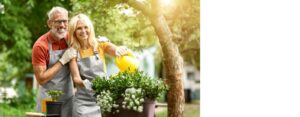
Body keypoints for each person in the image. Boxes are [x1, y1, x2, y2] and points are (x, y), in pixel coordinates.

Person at [68, 14, 130, 117]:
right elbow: (76, 79)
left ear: (90, 28)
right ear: (74, 31)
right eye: (79, 28)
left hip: (102, 99)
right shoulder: (72, 52)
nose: (83, 31)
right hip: (83, 102)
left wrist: (119, 50)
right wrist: (90, 84)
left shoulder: (100, 44)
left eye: (86, 27)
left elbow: (113, 49)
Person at [31, 6, 76, 117]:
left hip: (68, 97)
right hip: (48, 97)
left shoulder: (71, 39)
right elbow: (41, 79)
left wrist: (104, 42)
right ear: (50, 23)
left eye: (65, 21)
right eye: (58, 22)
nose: (62, 25)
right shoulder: (40, 46)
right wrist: (62, 61)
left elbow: (89, 40)